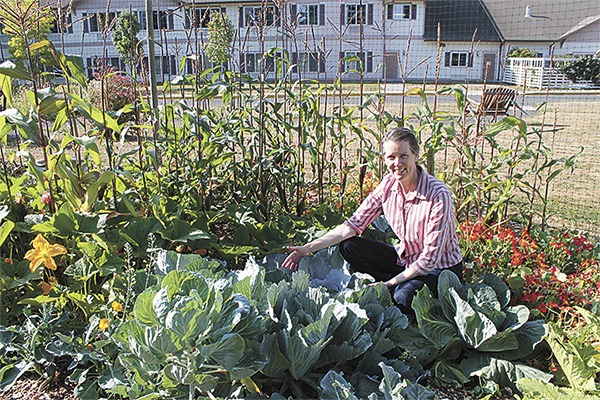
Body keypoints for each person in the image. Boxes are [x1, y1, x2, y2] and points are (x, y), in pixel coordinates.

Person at [282, 127, 463, 313]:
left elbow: (429, 259)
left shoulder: (438, 194)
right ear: (384, 159)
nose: (397, 163)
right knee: (349, 246)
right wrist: (306, 249)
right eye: (391, 157)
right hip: (406, 258)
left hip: (440, 270)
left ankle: (400, 287)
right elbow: (353, 224)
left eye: (403, 156)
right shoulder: (388, 185)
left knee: (402, 298)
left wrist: (389, 284)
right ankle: (402, 282)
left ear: (415, 155)